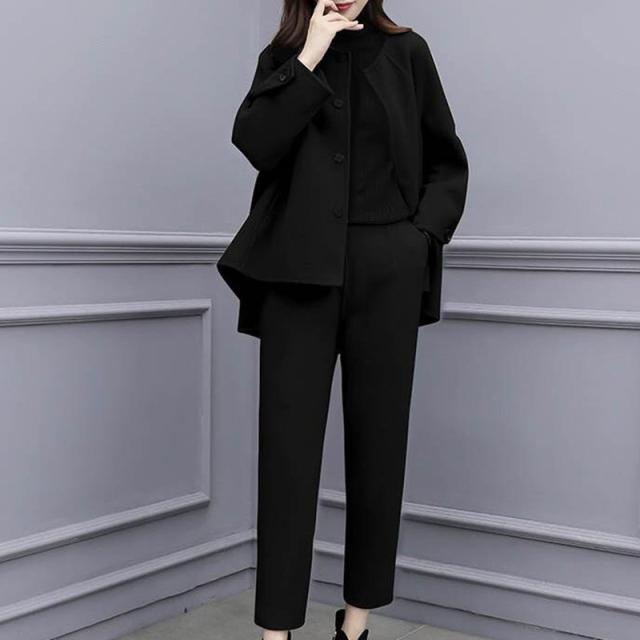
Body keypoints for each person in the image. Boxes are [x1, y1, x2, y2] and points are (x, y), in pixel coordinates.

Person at [217, 1, 469, 638]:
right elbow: (257, 143)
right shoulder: (285, 57)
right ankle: (276, 632)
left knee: (379, 451)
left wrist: (419, 239)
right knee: (287, 458)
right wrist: (309, 55)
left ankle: (355, 625)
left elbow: (447, 160)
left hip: (388, 275)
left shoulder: (408, 52)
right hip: (297, 276)